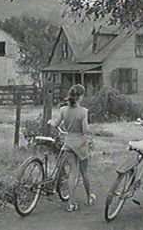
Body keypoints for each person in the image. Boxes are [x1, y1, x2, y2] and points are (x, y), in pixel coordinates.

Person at [48, 84, 96, 212]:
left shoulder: (63, 110)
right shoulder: (83, 112)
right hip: (80, 143)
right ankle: (89, 197)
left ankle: (70, 203)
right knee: (84, 172)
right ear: (80, 96)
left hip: (68, 142)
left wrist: (50, 122)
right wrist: (91, 131)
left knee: (72, 173)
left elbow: (55, 124)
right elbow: (85, 130)